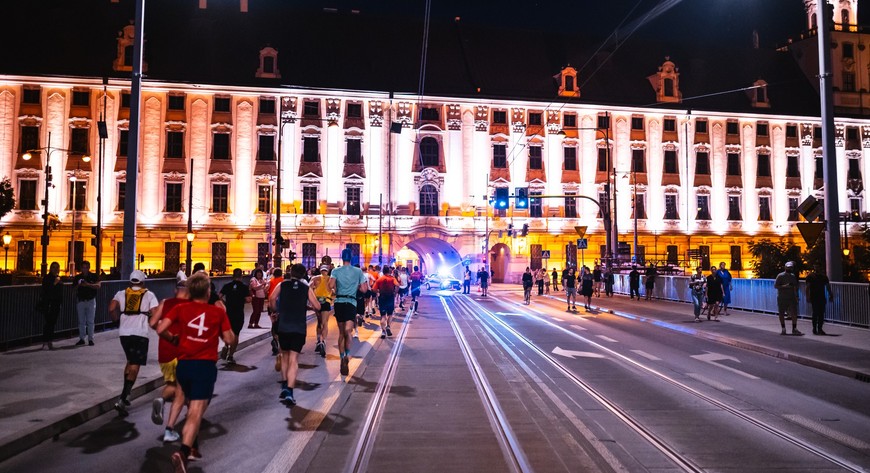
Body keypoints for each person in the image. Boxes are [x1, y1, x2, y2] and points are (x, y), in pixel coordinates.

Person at [157, 272, 234, 473]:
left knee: (191, 406)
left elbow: (160, 328)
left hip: (183, 366)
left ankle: (194, 446)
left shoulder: (181, 308)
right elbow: (228, 339)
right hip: (204, 366)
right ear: (208, 292)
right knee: (196, 412)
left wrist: (173, 338)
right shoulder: (217, 313)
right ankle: (183, 452)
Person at [108, 269, 160, 416]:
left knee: (130, 361)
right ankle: (123, 398)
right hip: (140, 333)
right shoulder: (149, 295)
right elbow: (155, 314)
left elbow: (111, 308)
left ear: (130, 281)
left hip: (124, 333)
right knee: (135, 364)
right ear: (142, 282)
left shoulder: (120, 293)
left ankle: (126, 393)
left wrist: (116, 319)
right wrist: (155, 324)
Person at [268, 263, 320, 406]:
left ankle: (285, 385)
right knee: (293, 359)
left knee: (284, 356)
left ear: (291, 272)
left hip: (283, 326)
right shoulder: (305, 288)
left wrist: (275, 311)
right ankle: (290, 391)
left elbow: (271, 298)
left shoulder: (282, 285)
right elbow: (317, 306)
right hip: (298, 327)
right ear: (303, 275)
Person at [148, 280, 190, 443]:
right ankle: (175, 423)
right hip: (182, 351)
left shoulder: (165, 302)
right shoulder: (190, 306)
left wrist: (168, 337)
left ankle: (162, 400)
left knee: (173, 385)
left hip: (165, 352)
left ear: (175, 290)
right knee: (183, 387)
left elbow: (153, 323)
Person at [331, 249, 369, 376]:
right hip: (351, 302)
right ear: (352, 258)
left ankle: (342, 357)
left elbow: (330, 286)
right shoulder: (358, 271)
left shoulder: (335, 271)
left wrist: (336, 289)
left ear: (342, 258)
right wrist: (356, 286)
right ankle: (347, 354)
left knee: (341, 333)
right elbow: (364, 289)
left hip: (339, 302)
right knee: (348, 331)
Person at [219, 268, 250, 364]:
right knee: (236, 334)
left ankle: (226, 345)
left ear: (233, 276)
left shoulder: (227, 286)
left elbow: (219, 296)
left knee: (228, 331)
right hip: (238, 313)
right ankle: (230, 355)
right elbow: (248, 299)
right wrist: (242, 301)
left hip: (229, 312)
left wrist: (225, 303)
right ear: (241, 276)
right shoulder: (244, 287)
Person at [73, 261, 101, 346]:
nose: (85, 269)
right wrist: (79, 285)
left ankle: (90, 339)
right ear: (81, 268)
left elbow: (98, 286)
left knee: (90, 321)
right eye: (83, 267)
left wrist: (87, 284)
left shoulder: (93, 276)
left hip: (90, 300)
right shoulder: (78, 277)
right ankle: (82, 338)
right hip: (81, 300)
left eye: (86, 267)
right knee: (81, 321)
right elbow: (74, 288)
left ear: (89, 268)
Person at [311, 264, 336, 355]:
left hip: (317, 301)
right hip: (326, 301)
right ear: (327, 270)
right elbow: (335, 291)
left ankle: (318, 340)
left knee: (319, 322)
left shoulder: (315, 278)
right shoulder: (331, 279)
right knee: (325, 323)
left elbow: (309, 288)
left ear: (320, 270)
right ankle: (323, 341)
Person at [774, 261, 802, 336]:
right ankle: (783, 328)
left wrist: (796, 296)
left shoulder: (793, 276)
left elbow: (795, 287)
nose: (789, 269)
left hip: (791, 296)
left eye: (791, 267)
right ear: (785, 267)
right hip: (782, 297)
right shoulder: (780, 276)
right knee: (781, 313)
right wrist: (785, 286)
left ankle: (794, 328)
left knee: (794, 313)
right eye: (788, 267)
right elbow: (776, 286)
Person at [40, 262, 63, 350]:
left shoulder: (58, 278)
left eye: (57, 267)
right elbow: (46, 290)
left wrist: (61, 303)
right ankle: (45, 342)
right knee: (48, 323)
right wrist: (54, 283)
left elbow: (60, 293)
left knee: (53, 323)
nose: (55, 269)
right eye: (53, 267)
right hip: (48, 303)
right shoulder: (47, 277)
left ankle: (50, 341)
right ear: (50, 268)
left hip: (56, 304)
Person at [806, 264, 833, 335]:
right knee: (816, 313)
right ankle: (816, 328)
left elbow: (828, 286)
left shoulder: (820, 277)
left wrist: (830, 294)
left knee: (820, 313)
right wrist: (808, 296)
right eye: (816, 266)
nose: (817, 268)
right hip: (815, 297)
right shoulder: (811, 276)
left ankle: (818, 328)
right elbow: (807, 287)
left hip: (820, 297)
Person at [372, 266, 399, 337]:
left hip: (382, 298)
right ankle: (388, 326)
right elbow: (397, 285)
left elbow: (373, 289)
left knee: (383, 316)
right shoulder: (392, 279)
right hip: (390, 297)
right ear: (389, 271)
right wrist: (395, 293)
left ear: (383, 271)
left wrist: (378, 292)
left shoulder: (379, 279)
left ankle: (383, 331)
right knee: (390, 314)